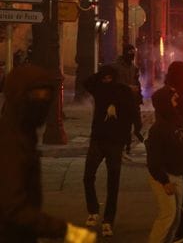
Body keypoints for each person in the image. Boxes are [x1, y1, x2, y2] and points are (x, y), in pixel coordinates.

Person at [0, 64, 96, 243]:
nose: (41, 102)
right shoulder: (11, 142)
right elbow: (13, 208)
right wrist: (66, 231)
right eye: (35, 95)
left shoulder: (23, 134)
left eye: (45, 96)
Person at [83, 65, 138, 237]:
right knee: (87, 176)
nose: (106, 81)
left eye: (109, 78)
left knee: (113, 183)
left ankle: (108, 220)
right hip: (98, 139)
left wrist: (131, 135)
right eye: (104, 78)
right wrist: (100, 73)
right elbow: (87, 82)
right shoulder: (99, 89)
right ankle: (93, 210)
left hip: (115, 142)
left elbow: (133, 113)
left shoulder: (123, 92)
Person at [146, 62, 183, 242]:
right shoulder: (159, 129)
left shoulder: (178, 120)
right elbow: (154, 161)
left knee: (175, 217)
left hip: (177, 172)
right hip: (165, 176)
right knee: (168, 215)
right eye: (173, 98)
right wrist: (164, 181)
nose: (177, 100)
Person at [111, 44, 144, 158]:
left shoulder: (134, 68)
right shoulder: (116, 67)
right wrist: (127, 87)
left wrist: (139, 97)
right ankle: (126, 147)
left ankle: (137, 132)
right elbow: (115, 84)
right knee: (125, 125)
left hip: (133, 100)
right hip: (122, 100)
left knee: (136, 121)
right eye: (130, 53)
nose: (132, 55)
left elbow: (137, 82)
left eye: (133, 53)